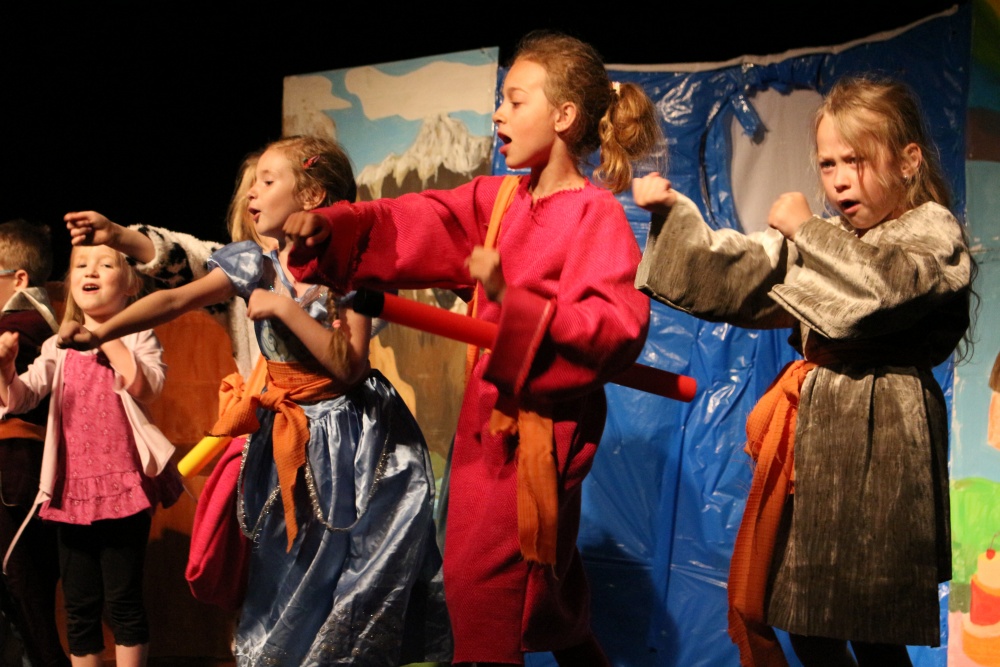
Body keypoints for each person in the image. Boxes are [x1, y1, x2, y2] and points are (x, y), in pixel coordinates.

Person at [282, 31, 660, 666]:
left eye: (516, 100)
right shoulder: (499, 201)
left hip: (536, 435)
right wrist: (334, 227)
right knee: (545, 601)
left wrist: (511, 300)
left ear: (564, 116)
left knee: (481, 595)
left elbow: (613, 326)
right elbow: (414, 221)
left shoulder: (593, 214)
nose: (498, 114)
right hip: (482, 428)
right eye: (500, 100)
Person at [59, 135, 451, 665]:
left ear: (311, 196)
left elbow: (349, 366)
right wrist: (101, 331)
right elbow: (174, 298)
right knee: (285, 571)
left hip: (352, 442)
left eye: (268, 181)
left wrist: (286, 310)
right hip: (284, 437)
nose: (252, 193)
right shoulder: (252, 264)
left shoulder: (352, 267)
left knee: (351, 573)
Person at [631, 76, 973, 667]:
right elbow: (745, 275)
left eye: (856, 160)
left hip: (886, 434)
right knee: (809, 622)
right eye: (828, 163)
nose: (838, 179)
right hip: (823, 435)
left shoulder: (931, 231)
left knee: (870, 627)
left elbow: (881, 291)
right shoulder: (829, 239)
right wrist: (673, 218)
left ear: (908, 161)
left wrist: (806, 230)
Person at [0, 242, 182, 667]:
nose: (90, 270)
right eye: (81, 264)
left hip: (123, 488)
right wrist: (6, 368)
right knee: (79, 605)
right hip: (71, 493)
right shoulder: (56, 346)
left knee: (124, 600)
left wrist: (106, 337)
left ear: (130, 285)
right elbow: (22, 397)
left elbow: (147, 386)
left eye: (105, 264)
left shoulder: (137, 334)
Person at [0, 220, 70, 667]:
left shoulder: (20, 323)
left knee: (22, 584)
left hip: (12, 467)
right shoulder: (34, 320)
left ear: (19, 279)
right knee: (24, 586)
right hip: (21, 467)